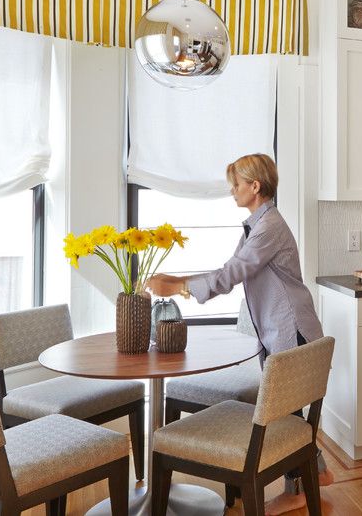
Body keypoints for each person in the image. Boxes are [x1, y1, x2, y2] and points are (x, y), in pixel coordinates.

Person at [147, 153, 331, 515]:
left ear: (255, 186)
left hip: (289, 328)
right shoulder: (256, 226)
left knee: (286, 415)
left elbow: (233, 274)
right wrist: (177, 281)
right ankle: (316, 473)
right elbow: (229, 269)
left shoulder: (269, 228)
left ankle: (301, 487)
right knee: (286, 413)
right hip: (275, 328)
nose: (232, 191)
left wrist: (179, 287)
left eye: (236, 184)